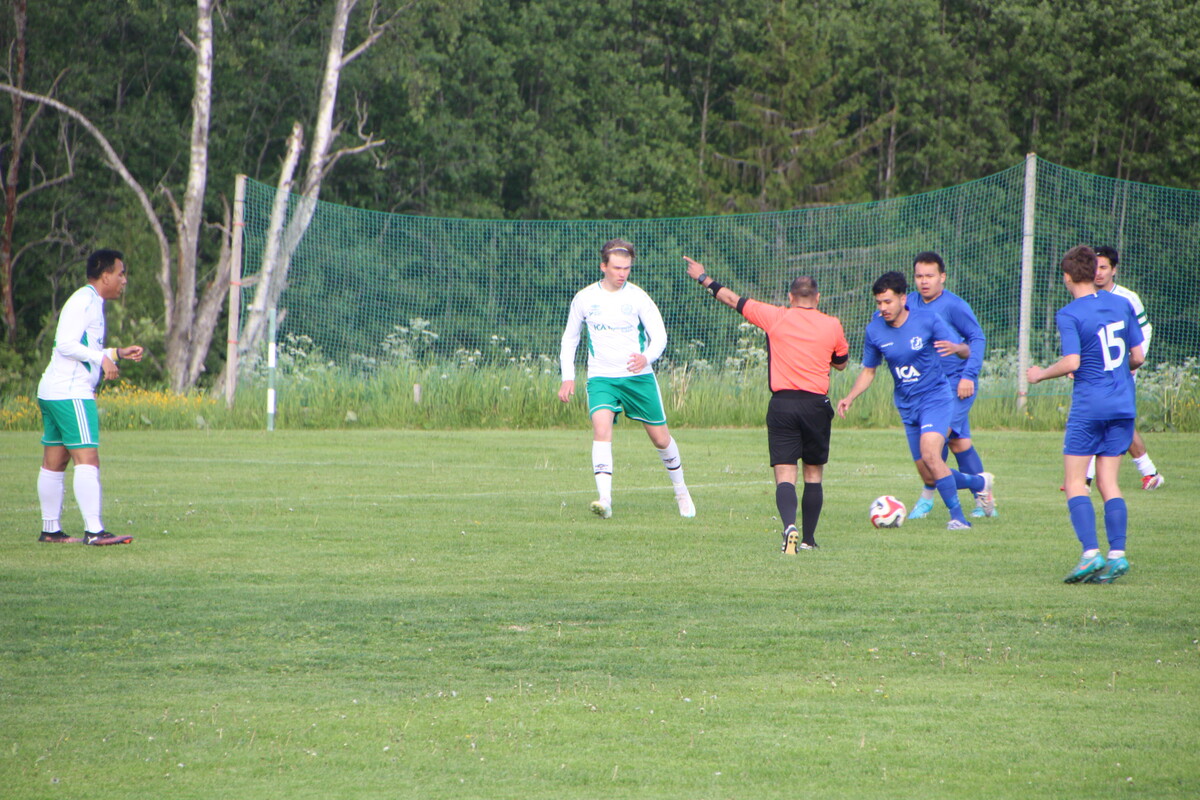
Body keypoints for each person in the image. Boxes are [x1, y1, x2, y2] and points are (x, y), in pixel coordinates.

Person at [683, 256, 849, 553]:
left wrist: (703, 277)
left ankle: (789, 526)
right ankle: (809, 540)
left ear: (790, 297)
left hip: (783, 405)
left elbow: (732, 299)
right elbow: (841, 363)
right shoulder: (832, 324)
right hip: (815, 405)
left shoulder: (775, 316)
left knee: (785, 474)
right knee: (813, 474)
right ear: (817, 298)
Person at [836, 271, 995, 530]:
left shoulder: (927, 320)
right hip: (907, 404)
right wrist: (850, 397)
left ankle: (958, 518)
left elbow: (965, 350)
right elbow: (869, 370)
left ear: (902, 299)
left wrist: (957, 348)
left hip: (935, 398)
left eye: (888, 301)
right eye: (879, 303)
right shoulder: (874, 329)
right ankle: (979, 483)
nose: (883, 308)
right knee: (929, 472)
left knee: (932, 455)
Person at [1027, 245, 1144, 583]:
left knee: (1075, 482)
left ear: (1067, 277)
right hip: (1123, 404)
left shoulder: (1070, 313)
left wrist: (1039, 374)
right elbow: (1137, 357)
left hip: (1090, 406)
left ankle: (1091, 553)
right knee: (1108, 481)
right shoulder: (1122, 304)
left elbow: (1072, 362)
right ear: (1095, 272)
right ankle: (1117, 554)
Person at [558, 239, 694, 519]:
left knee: (661, 439)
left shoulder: (638, 297)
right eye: (617, 268)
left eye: (627, 268)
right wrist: (568, 377)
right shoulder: (584, 298)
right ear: (603, 267)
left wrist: (647, 358)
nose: (622, 274)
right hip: (601, 378)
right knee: (601, 430)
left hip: (637, 379)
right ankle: (605, 500)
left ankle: (681, 491)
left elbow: (660, 336)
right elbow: (570, 339)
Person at [36, 249, 144, 545]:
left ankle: (51, 531)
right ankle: (95, 531)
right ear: (105, 275)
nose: (124, 280)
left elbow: (83, 348)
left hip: (53, 391)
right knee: (88, 459)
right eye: (121, 274)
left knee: (55, 461)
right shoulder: (85, 301)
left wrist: (116, 353)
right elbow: (65, 345)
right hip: (71, 393)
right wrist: (101, 358)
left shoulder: (90, 301)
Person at [905, 251, 995, 519]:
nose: (924, 281)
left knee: (933, 444)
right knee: (959, 443)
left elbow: (977, 338)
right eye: (919, 276)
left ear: (942, 277)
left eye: (930, 276)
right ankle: (983, 494)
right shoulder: (909, 302)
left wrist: (969, 375)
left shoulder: (954, 305)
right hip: (926, 387)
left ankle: (927, 496)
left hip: (955, 385)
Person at [1090, 245, 1163, 490]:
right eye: (1094, 267)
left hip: (1121, 371)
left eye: (1103, 267)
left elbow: (1145, 330)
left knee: (1108, 419)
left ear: (1114, 270)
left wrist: (1134, 362)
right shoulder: (1087, 296)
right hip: (1097, 371)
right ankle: (1149, 472)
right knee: (1107, 419)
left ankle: (1085, 479)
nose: (1098, 272)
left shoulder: (1127, 298)